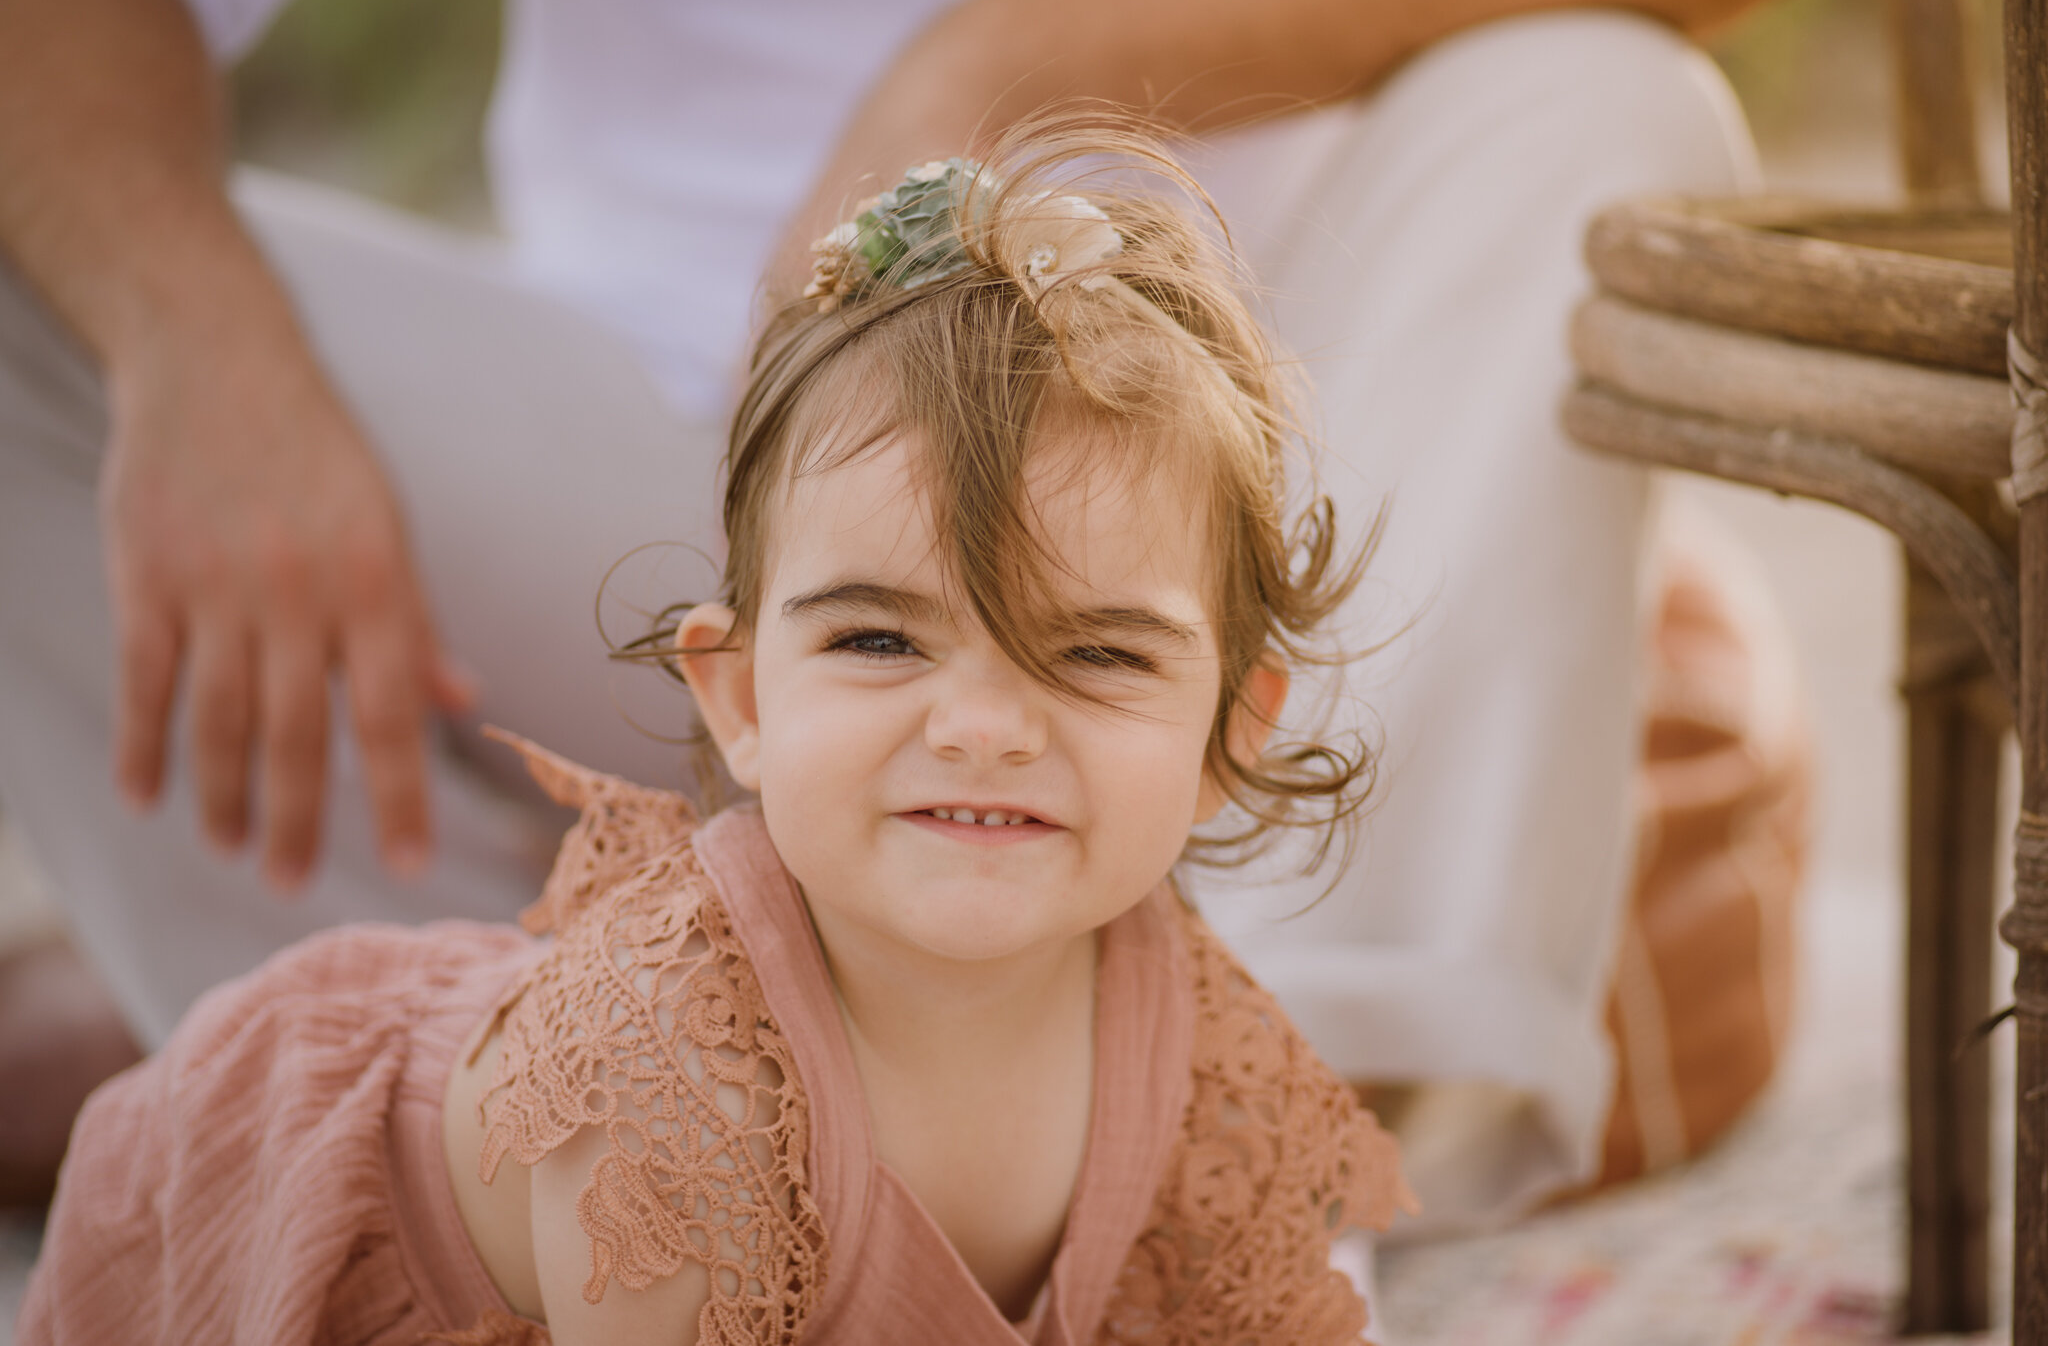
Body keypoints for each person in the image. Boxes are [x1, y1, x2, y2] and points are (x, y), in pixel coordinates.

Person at [0, 0, 1804, 1229]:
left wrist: (1020, 55)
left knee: (1610, 91)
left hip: (1239, 485)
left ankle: (1242, 1149)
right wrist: (197, 342)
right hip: (674, 442)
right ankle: (496, 1113)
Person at [24, 138, 1420, 1343]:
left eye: (1098, 653)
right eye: (880, 640)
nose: (985, 728)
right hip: (275, 1249)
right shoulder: (677, 1100)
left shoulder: (1188, 1041)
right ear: (742, 700)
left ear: (1232, 731)